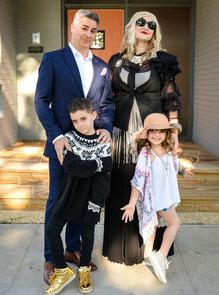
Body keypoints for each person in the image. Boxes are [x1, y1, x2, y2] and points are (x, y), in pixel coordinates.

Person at [34, 9, 114, 284]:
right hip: (62, 146)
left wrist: (104, 126)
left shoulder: (102, 65)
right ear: (73, 27)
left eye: (93, 30)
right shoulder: (53, 59)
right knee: (57, 200)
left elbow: (106, 104)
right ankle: (50, 257)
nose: (88, 34)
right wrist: (56, 136)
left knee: (81, 201)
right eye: (84, 28)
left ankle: (73, 249)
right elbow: (40, 101)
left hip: (90, 148)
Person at [103, 11, 183, 265]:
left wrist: (174, 130)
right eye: (141, 22)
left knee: (153, 187)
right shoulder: (116, 60)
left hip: (153, 135)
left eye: (151, 24)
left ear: (155, 31)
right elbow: (107, 97)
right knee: (124, 183)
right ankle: (124, 248)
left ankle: (155, 250)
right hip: (121, 133)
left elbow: (171, 97)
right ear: (131, 27)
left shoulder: (162, 62)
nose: (146, 26)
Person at [45, 98, 112, 295]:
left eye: (83, 118)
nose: (79, 124)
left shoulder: (104, 142)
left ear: (94, 115)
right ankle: (62, 270)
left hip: (90, 197)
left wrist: (97, 202)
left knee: (87, 235)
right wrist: (98, 165)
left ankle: (83, 269)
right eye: (75, 121)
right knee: (51, 230)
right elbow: (71, 167)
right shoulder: (69, 139)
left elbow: (104, 179)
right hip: (68, 193)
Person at [121, 113, 194, 283]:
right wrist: (132, 204)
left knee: (152, 227)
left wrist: (182, 170)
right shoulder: (146, 155)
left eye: (161, 131)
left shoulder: (168, 150)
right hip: (158, 199)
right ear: (146, 133)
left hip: (166, 195)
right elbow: (137, 180)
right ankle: (160, 256)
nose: (156, 134)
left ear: (167, 133)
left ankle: (149, 256)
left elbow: (173, 164)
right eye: (152, 131)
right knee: (175, 223)